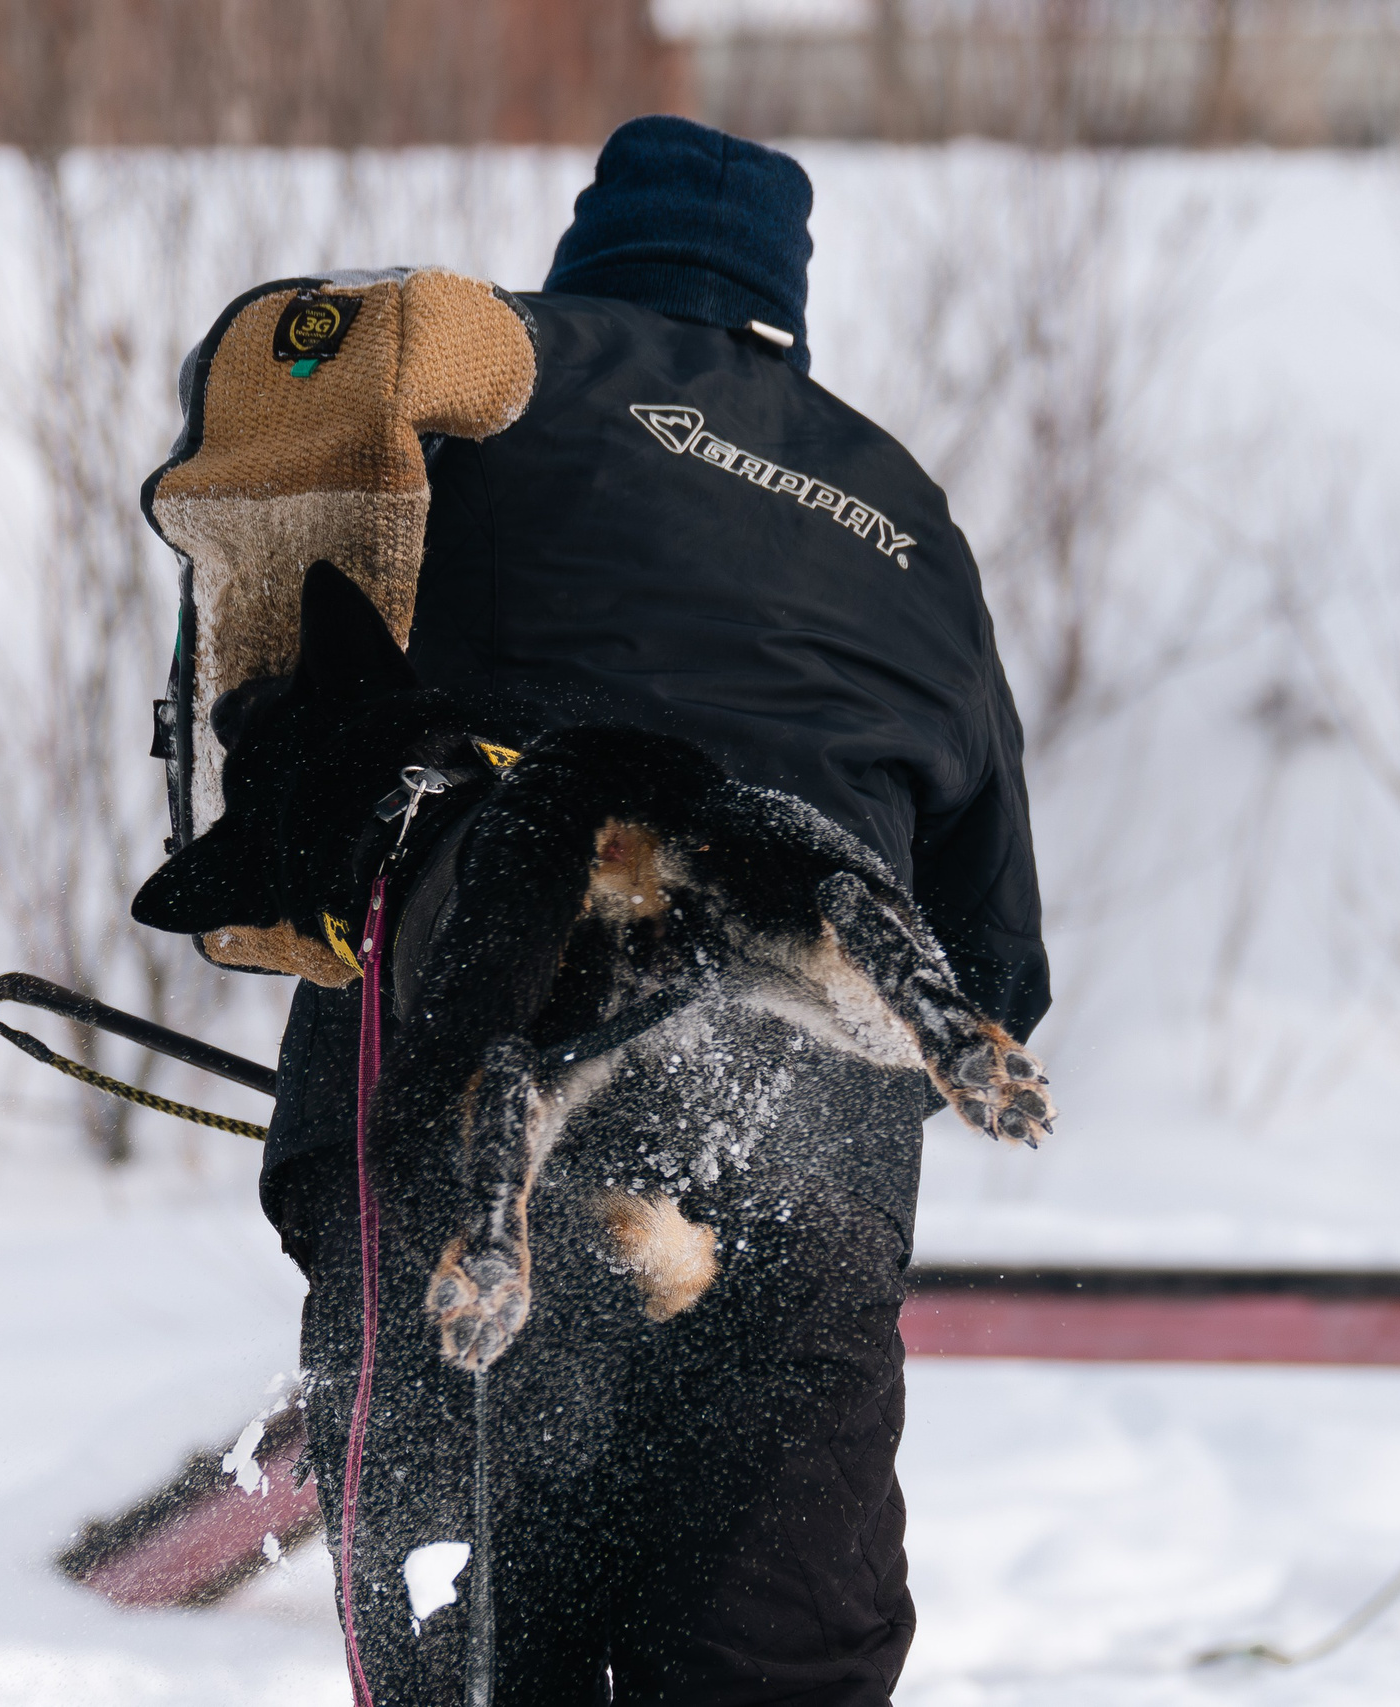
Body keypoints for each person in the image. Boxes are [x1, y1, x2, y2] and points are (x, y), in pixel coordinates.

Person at [252, 115, 1049, 1704]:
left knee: (476, 1638)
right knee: (779, 1652)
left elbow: (286, 695)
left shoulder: (485, 392)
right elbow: (995, 966)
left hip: (496, 1052)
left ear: (586, 259)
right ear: (786, 310)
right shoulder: (908, 515)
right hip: (810, 1146)